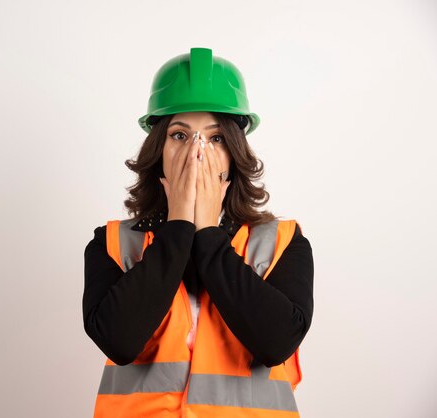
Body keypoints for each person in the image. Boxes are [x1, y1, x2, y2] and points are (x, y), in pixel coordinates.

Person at [83, 47, 314, 418]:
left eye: (216, 138)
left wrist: (207, 231)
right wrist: (178, 226)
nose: (197, 153)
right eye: (179, 135)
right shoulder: (111, 243)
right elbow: (119, 341)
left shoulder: (283, 242)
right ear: (157, 151)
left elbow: (275, 344)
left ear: (234, 155)